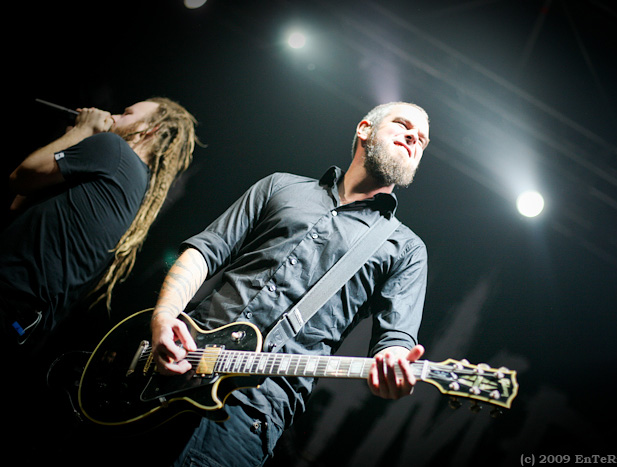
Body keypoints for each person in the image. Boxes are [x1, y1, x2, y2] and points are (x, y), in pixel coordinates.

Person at [149, 101, 431, 466]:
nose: (414, 138)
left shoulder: (405, 248)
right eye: (403, 124)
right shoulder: (280, 186)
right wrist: (164, 316)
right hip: (171, 370)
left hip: (249, 413)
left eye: (422, 140)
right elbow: (206, 250)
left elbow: (395, 342)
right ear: (364, 129)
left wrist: (394, 363)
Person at [0, 97, 199, 357]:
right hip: (25, 316)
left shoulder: (114, 149)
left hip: (10, 293)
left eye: (127, 113)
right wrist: (73, 141)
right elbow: (19, 202)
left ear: (152, 129)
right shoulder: (131, 185)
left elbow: (20, 177)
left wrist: (83, 131)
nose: (114, 116)